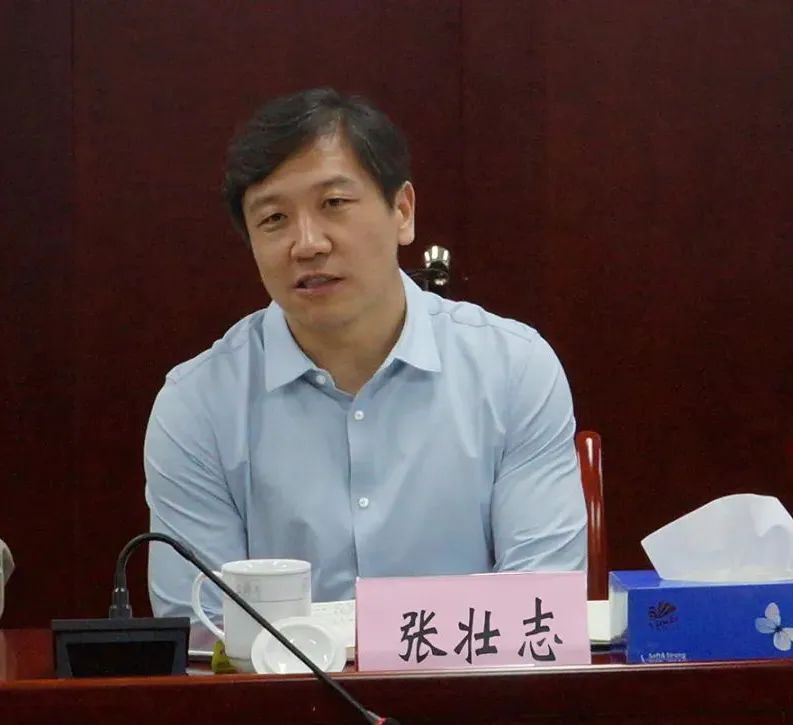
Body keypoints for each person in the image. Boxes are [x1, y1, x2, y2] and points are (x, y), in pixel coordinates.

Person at [145, 88, 586, 635]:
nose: (308, 244)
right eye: (274, 218)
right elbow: (203, 630)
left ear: (402, 212)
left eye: (334, 204)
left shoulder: (513, 369)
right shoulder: (196, 406)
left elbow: (540, 602)